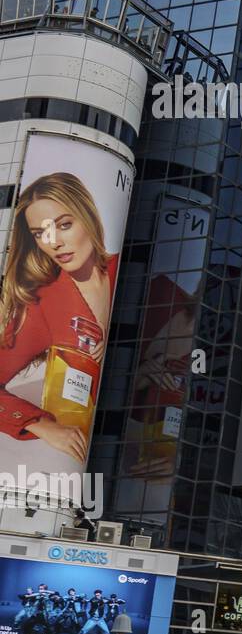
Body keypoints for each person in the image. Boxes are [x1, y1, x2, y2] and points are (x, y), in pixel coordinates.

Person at [0, 172, 116, 464]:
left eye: (64, 225)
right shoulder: (44, 303)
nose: (53, 243)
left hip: (131, 448)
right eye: (40, 233)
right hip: (80, 460)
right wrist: (39, 424)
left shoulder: (130, 270)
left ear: (87, 216)